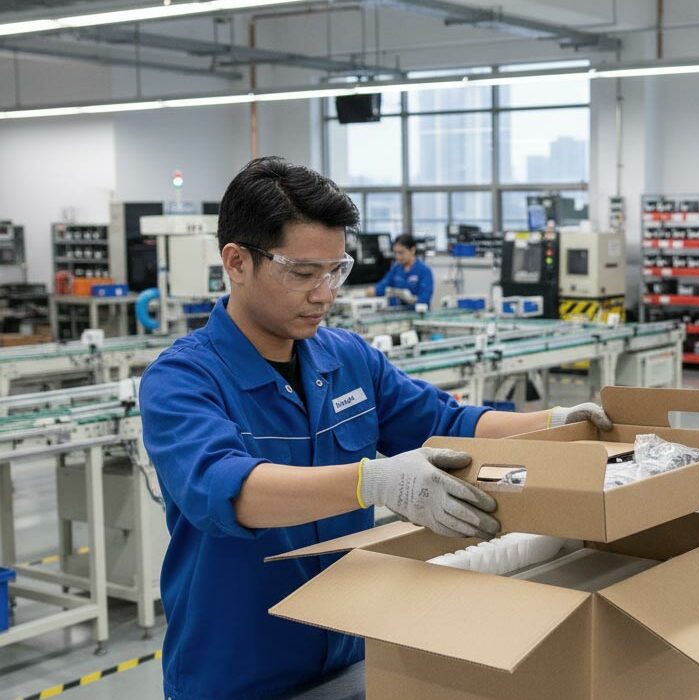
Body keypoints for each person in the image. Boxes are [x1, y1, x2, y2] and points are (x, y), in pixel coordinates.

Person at [138, 157, 612, 700]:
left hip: (353, 654)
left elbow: (446, 423)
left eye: (336, 270)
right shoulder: (182, 379)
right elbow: (227, 489)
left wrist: (552, 422)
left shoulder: (347, 359)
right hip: (235, 675)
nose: (325, 293)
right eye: (302, 272)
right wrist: (373, 482)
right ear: (237, 261)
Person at [366, 233, 433, 307]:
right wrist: (372, 290)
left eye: (401, 253)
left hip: (416, 314)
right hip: (396, 313)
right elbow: (383, 285)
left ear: (412, 250)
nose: (398, 257)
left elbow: (424, 298)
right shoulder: (396, 268)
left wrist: (411, 299)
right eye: (396, 253)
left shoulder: (424, 271)